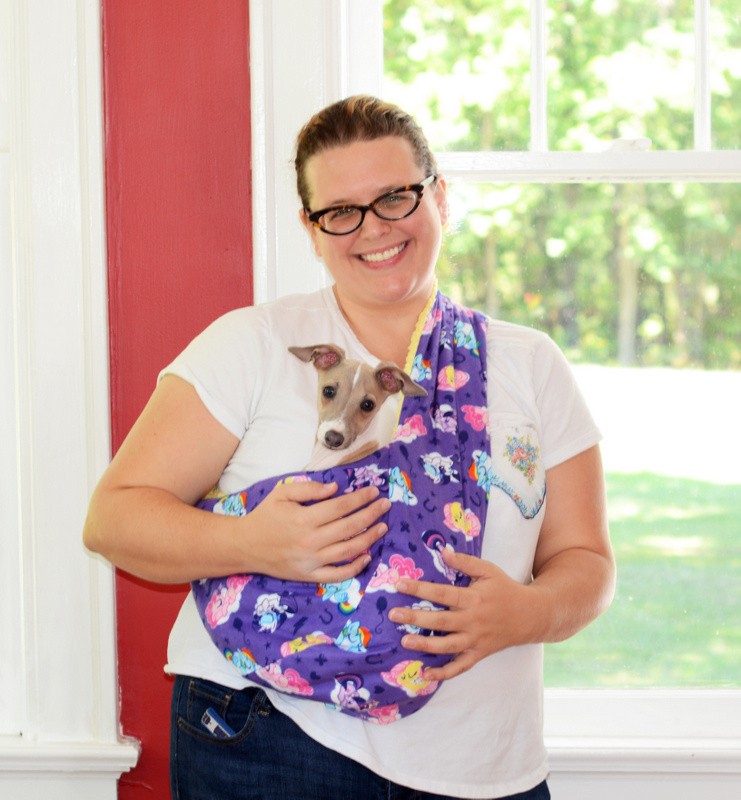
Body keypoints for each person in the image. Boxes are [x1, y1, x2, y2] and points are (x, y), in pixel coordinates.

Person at [83, 95, 615, 800]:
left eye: (394, 198)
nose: (372, 229)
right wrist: (253, 543)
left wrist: (529, 613)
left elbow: (585, 560)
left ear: (438, 197)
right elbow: (114, 519)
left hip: (480, 758)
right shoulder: (253, 345)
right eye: (340, 211)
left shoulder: (528, 363)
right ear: (312, 228)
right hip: (271, 740)